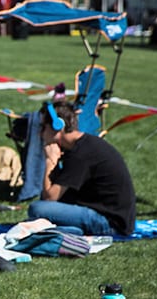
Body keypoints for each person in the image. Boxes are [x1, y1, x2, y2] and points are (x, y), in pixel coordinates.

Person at [28, 101, 136, 236]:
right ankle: (70, 231)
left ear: (58, 126)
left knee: (36, 209)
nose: (40, 133)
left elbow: (49, 198)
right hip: (109, 216)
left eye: (43, 127)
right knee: (44, 210)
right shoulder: (81, 146)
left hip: (109, 223)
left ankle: (65, 231)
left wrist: (50, 160)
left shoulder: (81, 154)